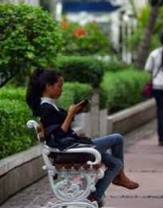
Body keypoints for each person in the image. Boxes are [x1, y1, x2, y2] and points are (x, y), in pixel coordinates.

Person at [26, 69, 139, 207]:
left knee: (116, 164)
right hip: (70, 151)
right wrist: (70, 114)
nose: (61, 89)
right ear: (48, 86)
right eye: (59, 86)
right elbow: (59, 136)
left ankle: (96, 194)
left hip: (74, 148)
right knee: (117, 138)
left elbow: (58, 130)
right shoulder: (46, 108)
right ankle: (119, 178)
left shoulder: (49, 106)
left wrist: (72, 112)